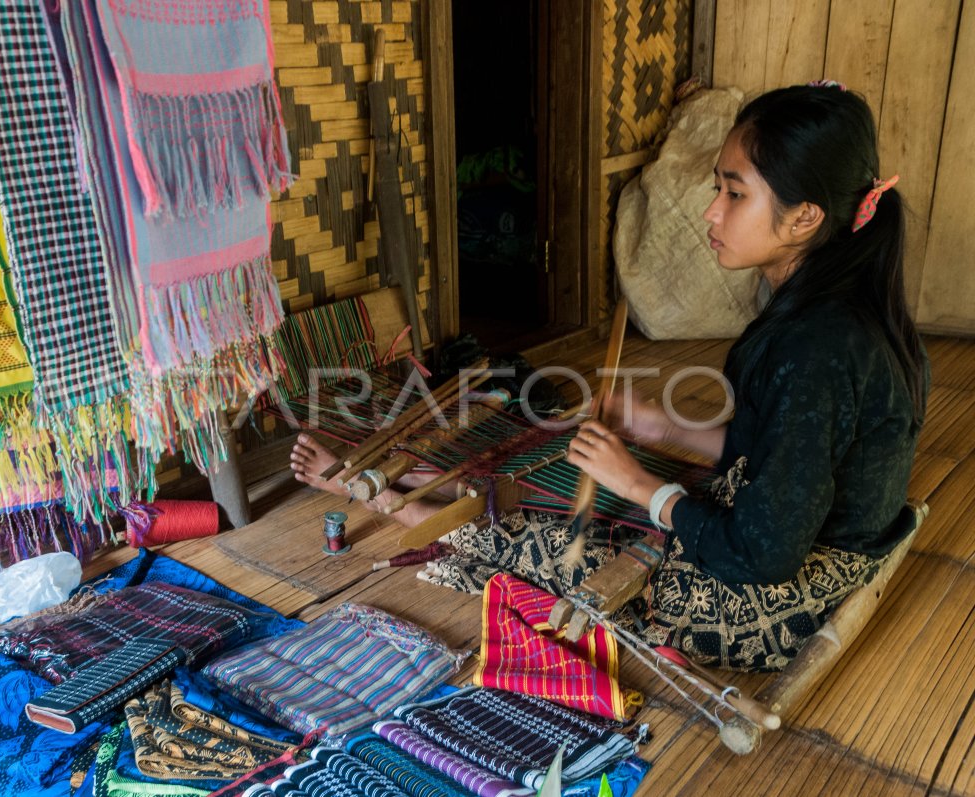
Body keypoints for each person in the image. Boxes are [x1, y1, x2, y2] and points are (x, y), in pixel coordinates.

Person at [292, 83, 929, 671]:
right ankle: (428, 478)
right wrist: (662, 424)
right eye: (719, 188)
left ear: (804, 217)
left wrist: (639, 480)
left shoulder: (820, 348)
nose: (711, 212)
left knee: (549, 542)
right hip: (817, 539)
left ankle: (367, 494)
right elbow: (780, 453)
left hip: (781, 602)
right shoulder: (842, 312)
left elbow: (761, 556)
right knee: (614, 500)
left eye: (735, 193)